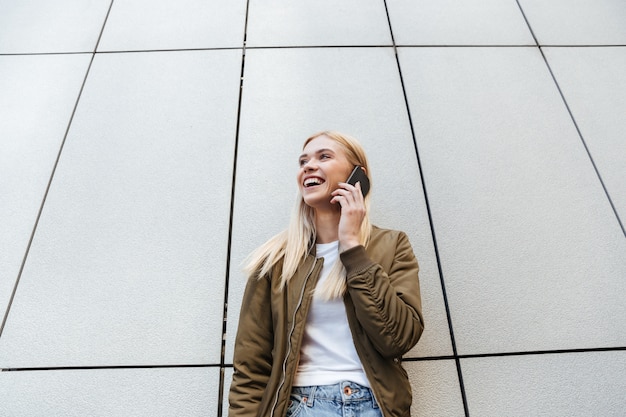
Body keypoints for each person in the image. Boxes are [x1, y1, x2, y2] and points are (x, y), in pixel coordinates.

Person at [228, 131, 424, 417]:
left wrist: (353, 248)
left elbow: (397, 338)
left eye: (324, 157)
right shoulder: (274, 259)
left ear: (358, 175)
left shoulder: (391, 245)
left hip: (375, 406)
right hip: (301, 406)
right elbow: (250, 365)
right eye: (303, 161)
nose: (308, 166)